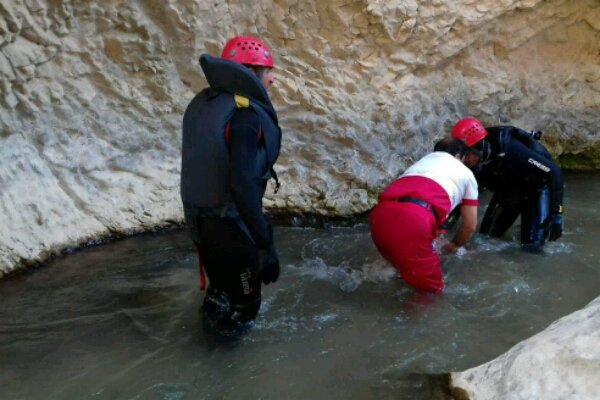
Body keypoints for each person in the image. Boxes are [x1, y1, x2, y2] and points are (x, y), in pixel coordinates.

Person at [180, 35, 282, 331]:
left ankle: (205, 361)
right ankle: (224, 372)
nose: (272, 80)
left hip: (201, 225)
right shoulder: (244, 116)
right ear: (251, 73)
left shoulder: (207, 105)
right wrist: (265, 244)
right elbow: (241, 185)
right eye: (268, 72)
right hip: (231, 230)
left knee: (218, 295)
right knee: (244, 310)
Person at [369, 138, 479, 293]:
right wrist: (454, 246)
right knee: (430, 293)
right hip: (415, 218)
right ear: (459, 156)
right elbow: (469, 226)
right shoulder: (466, 174)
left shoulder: (421, 163)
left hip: (379, 216)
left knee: (393, 269)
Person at [450, 117, 564, 252]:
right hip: (508, 191)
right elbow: (464, 198)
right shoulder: (473, 164)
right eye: (460, 154)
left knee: (531, 249)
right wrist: (447, 224)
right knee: (485, 238)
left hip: (536, 191)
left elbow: (554, 172)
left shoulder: (512, 149)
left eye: (466, 154)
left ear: (478, 148)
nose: (463, 159)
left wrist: (557, 214)